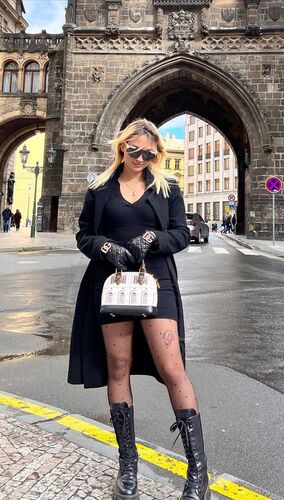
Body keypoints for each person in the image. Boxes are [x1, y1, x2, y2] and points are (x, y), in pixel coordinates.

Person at [68, 119, 210, 500]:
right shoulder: (100, 188)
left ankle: (198, 475)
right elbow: (84, 234)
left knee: (172, 368)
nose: (141, 158)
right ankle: (127, 467)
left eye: (149, 153)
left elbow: (180, 234)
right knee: (118, 368)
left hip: (156, 282)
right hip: (112, 282)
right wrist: (105, 248)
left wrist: (153, 238)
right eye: (135, 151)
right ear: (122, 147)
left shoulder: (167, 188)